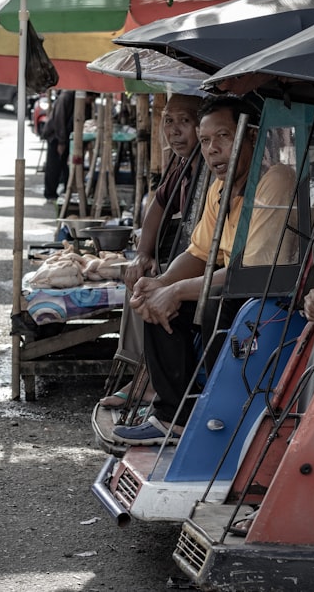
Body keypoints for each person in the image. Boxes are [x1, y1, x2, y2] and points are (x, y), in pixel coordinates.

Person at [111, 96, 298, 446]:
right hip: (234, 282)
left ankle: (223, 415)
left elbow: (252, 273)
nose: (212, 150)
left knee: (213, 303)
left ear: (253, 137)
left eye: (223, 137)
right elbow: (199, 253)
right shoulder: (219, 189)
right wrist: (162, 284)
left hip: (271, 294)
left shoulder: (276, 181)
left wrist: (177, 291)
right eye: (207, 140)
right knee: (156, 300)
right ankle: (173, 417)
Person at [99, 92, 202, 409]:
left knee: (151, 288)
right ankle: (140, 374)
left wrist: (165, 278)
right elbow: (158, 202)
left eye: (185, 122)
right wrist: (143, 253)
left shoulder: (210, 168)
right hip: (189, 256)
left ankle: (150, 382)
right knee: (140, 277)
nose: (174, 131)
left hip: (207, 266)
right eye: (168, 121)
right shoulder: (181, 166)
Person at [41, 90, 94, 202]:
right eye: (90, 99)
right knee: (54, 166)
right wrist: (61, 142)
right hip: (56, 136)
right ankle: (50, 194)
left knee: (66, 167)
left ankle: (66, 191)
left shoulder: (85, 104)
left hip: (69, 138)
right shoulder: (66, 97)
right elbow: (59, 120)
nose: (90, 102)